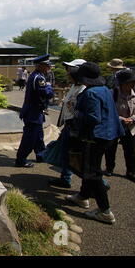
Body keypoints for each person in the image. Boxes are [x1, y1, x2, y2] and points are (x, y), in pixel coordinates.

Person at [65, 62, 124, 224]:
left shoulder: (90, 94)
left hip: (95, 137)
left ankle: (105, 210)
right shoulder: (105, 90)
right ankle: (83, 196)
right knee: (89, 167)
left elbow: (93, 118)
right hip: (109, 134)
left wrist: (76, 111)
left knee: (93, 172)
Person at [48, 60, 86, 188]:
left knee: (77, 157)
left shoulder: (84, 89)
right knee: (66, 153)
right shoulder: (74, 86)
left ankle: (97, 184)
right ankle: (65, 177)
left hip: (76, 127)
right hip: (69, 124)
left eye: (70, 70)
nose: (67, 73)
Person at [15, 54, 54, 168]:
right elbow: (47, 94)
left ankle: (41, 155)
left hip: (35, 111)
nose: (49, 68)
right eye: (47, 65)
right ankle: (21, 160)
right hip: (33, 112)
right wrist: (49, 86)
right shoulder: (39, 78)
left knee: (38, 136)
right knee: (30, 138)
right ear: (40, 66)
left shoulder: (37, 75)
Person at [104, 69, 135, 183]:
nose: (133, 84)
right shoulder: (113, 93)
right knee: (110, 148)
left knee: (130, 150)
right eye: (130, 82)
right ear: (122, 83)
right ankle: (109, 168)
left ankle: (131, 171)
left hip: (130, 126)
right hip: (114, 125)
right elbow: (108, 110)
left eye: (134, 82)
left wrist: (132, 119)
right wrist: (121, 119)